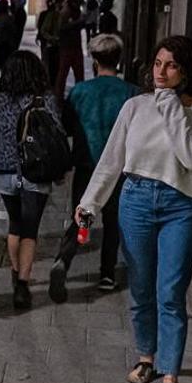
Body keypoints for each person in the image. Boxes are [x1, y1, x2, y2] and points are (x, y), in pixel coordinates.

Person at [74, 35, 192, 383]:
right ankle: (146, 357)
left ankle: (171, 378)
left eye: (170, 65)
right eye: (157, 63)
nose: (161, 71)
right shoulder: (135, 106)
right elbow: (111, 160)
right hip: (135, 200)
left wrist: (170, 102)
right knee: (140, 287)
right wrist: (89, 202)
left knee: (169, 292)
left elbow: (190, 158)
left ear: (185, 72)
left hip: (180, 206)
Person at [50, 33, 139, 302]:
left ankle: (64, 260)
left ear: (94, 59)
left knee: (84, 216)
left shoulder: (80, 92)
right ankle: (107, 273)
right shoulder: (131, 94)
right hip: (119, 170)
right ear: (119, 59)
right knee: (112, 221)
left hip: (88, 167)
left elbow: (65, 126)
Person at [0, 51, 64, 309]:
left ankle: (15, 271)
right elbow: (56, 131)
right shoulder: (44, 98)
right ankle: (23, 283)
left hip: (6, 168)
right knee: (30, 230)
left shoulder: (0, 98)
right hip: (36, 171)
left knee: (15, 225)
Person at [55, 0, 87, 95]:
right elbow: (60, 28)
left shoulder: (76, 9)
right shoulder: (66, 10)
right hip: (67, 47)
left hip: (74, 46)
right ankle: (59, 98)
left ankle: (78, 96)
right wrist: (78, 23)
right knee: (63, 74)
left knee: (78, 74)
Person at [36, 0, 62, 84]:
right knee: (49, 63)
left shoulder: (51, 14)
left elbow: (40, 27)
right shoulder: (51, 15)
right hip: (49, 43)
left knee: (48, 62)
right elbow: (41, 28)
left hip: (49, 42)